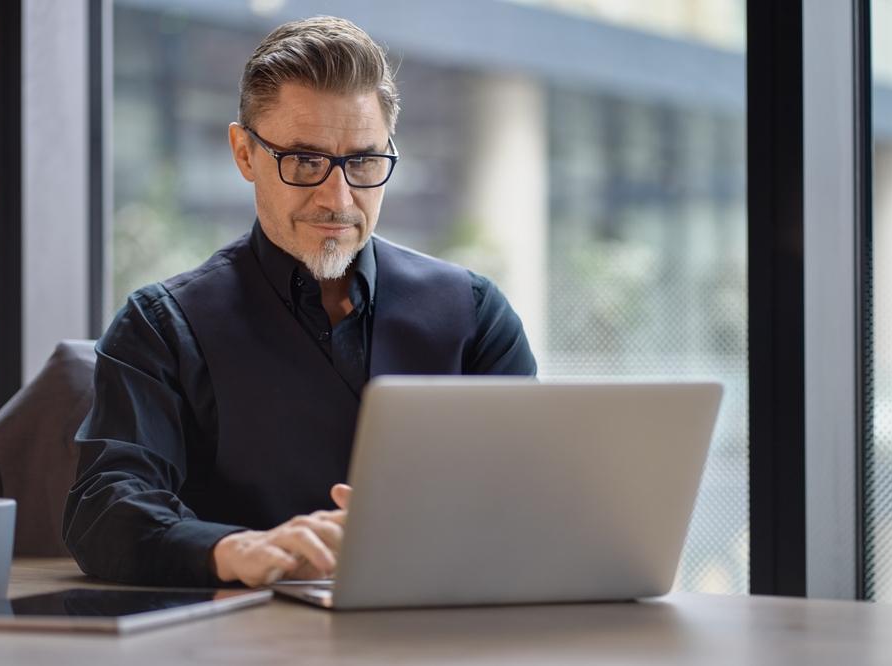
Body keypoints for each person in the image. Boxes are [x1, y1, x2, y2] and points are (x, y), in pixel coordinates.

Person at [63, 15, 537, 588]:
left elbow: (532, 501)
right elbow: (104, 510)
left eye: (362, 161)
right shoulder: (161, 328)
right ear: (244, 154)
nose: (337, 198)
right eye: (305, 161)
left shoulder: (476, 317)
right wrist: (236, 550)